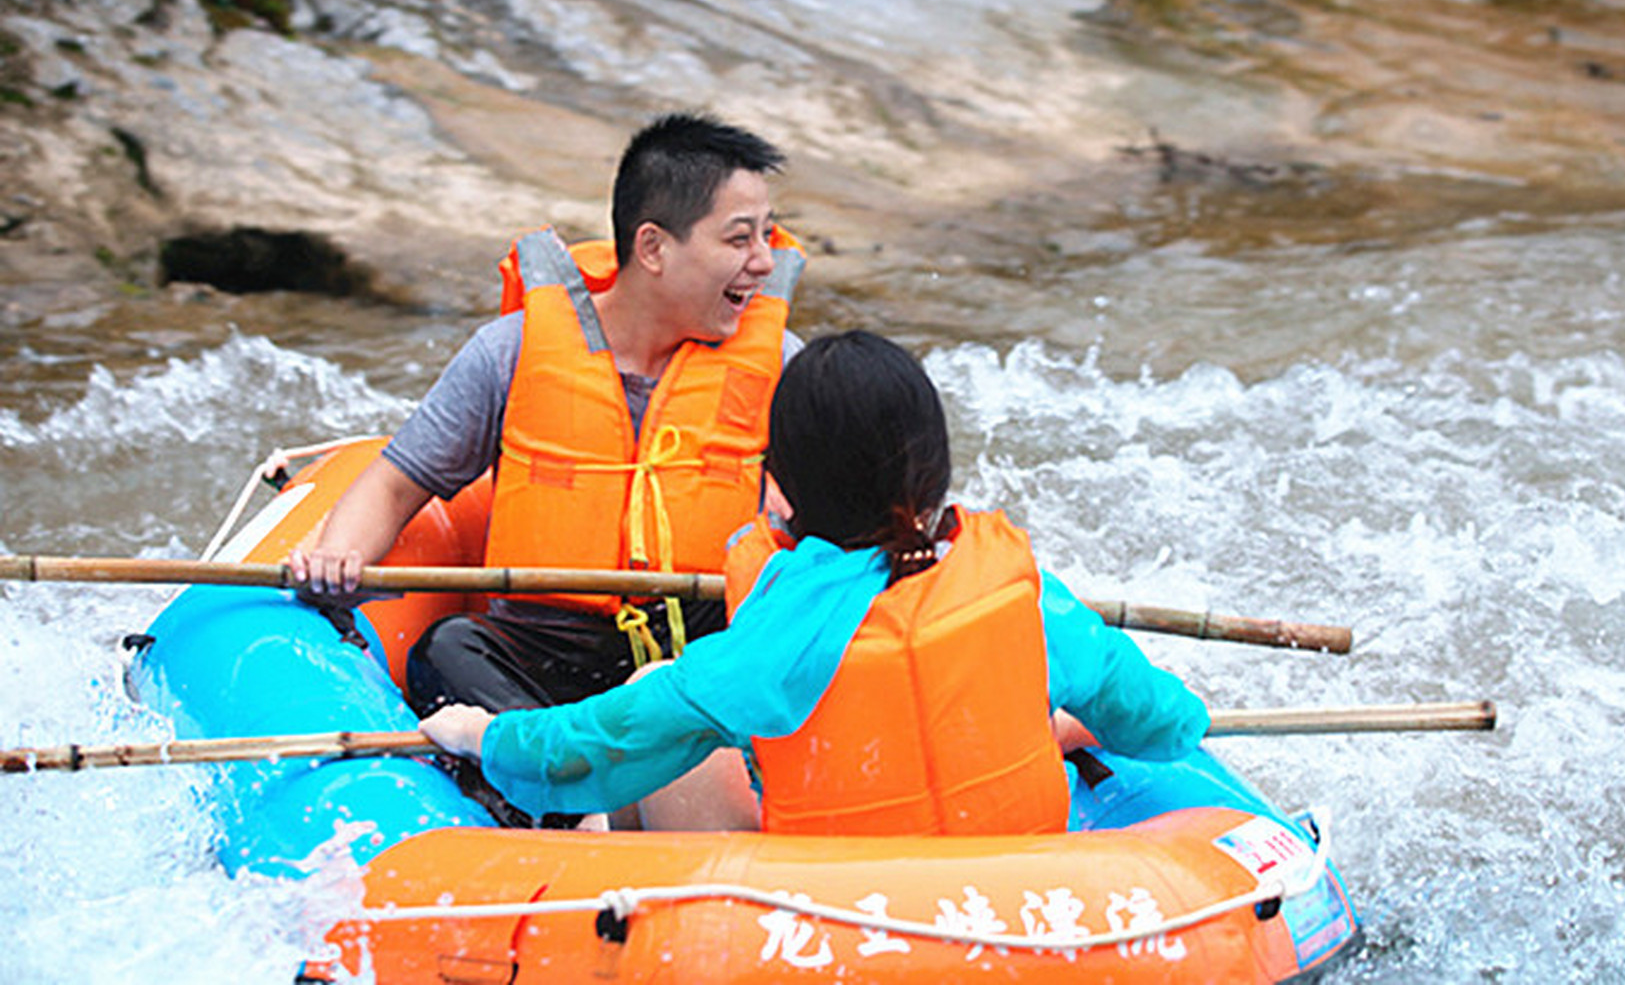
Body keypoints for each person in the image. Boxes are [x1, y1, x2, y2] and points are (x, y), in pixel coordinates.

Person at [419, 330, 1208, 834]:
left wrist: (482, 737)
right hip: (1012, 896)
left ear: (783, 486)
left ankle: (594, 846)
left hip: (829, 912)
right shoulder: (1025, 593)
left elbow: (591, 749)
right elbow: (1165, 727)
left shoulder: (774, 640)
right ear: (935, 470)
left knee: (671, 704)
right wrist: (1058, 724)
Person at [290, 112, 804, 741]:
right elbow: (396, 485)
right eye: (739, 240)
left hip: (701, 649)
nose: (762, 263)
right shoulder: (511, 352)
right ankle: (569, 791)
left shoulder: (780, 366)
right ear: (653, 248)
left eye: (767, 238)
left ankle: (592, 781)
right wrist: (338, 557)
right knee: (445, 652)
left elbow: (844, 516)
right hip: (545, 658)